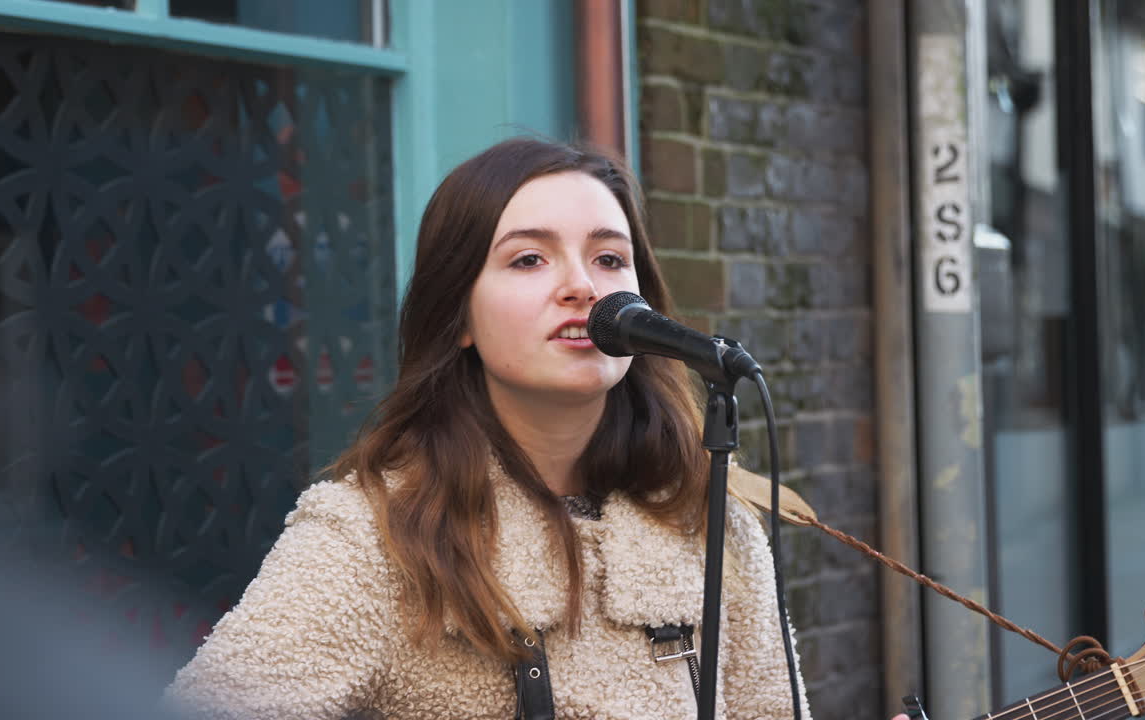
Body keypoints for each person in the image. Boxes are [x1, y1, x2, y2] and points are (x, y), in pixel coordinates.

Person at [165, 137, 810, 718]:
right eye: (530, 259)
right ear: (460, 317)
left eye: (610, 259)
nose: (583, 286)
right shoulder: (374, 533)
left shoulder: (710, 523)